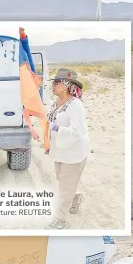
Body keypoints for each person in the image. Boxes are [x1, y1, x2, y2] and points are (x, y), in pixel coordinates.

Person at [45, 68, 89, 229]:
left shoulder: (76, 106)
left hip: (74, 152)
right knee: (64, 182)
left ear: (66, 85)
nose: (53, 85)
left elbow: (76, 132)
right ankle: (76, 197)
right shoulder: (54, 103)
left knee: (64, 187)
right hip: (59, 150)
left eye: (57, 82)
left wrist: (56, 128)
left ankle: (60, 219)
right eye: (54, 82)